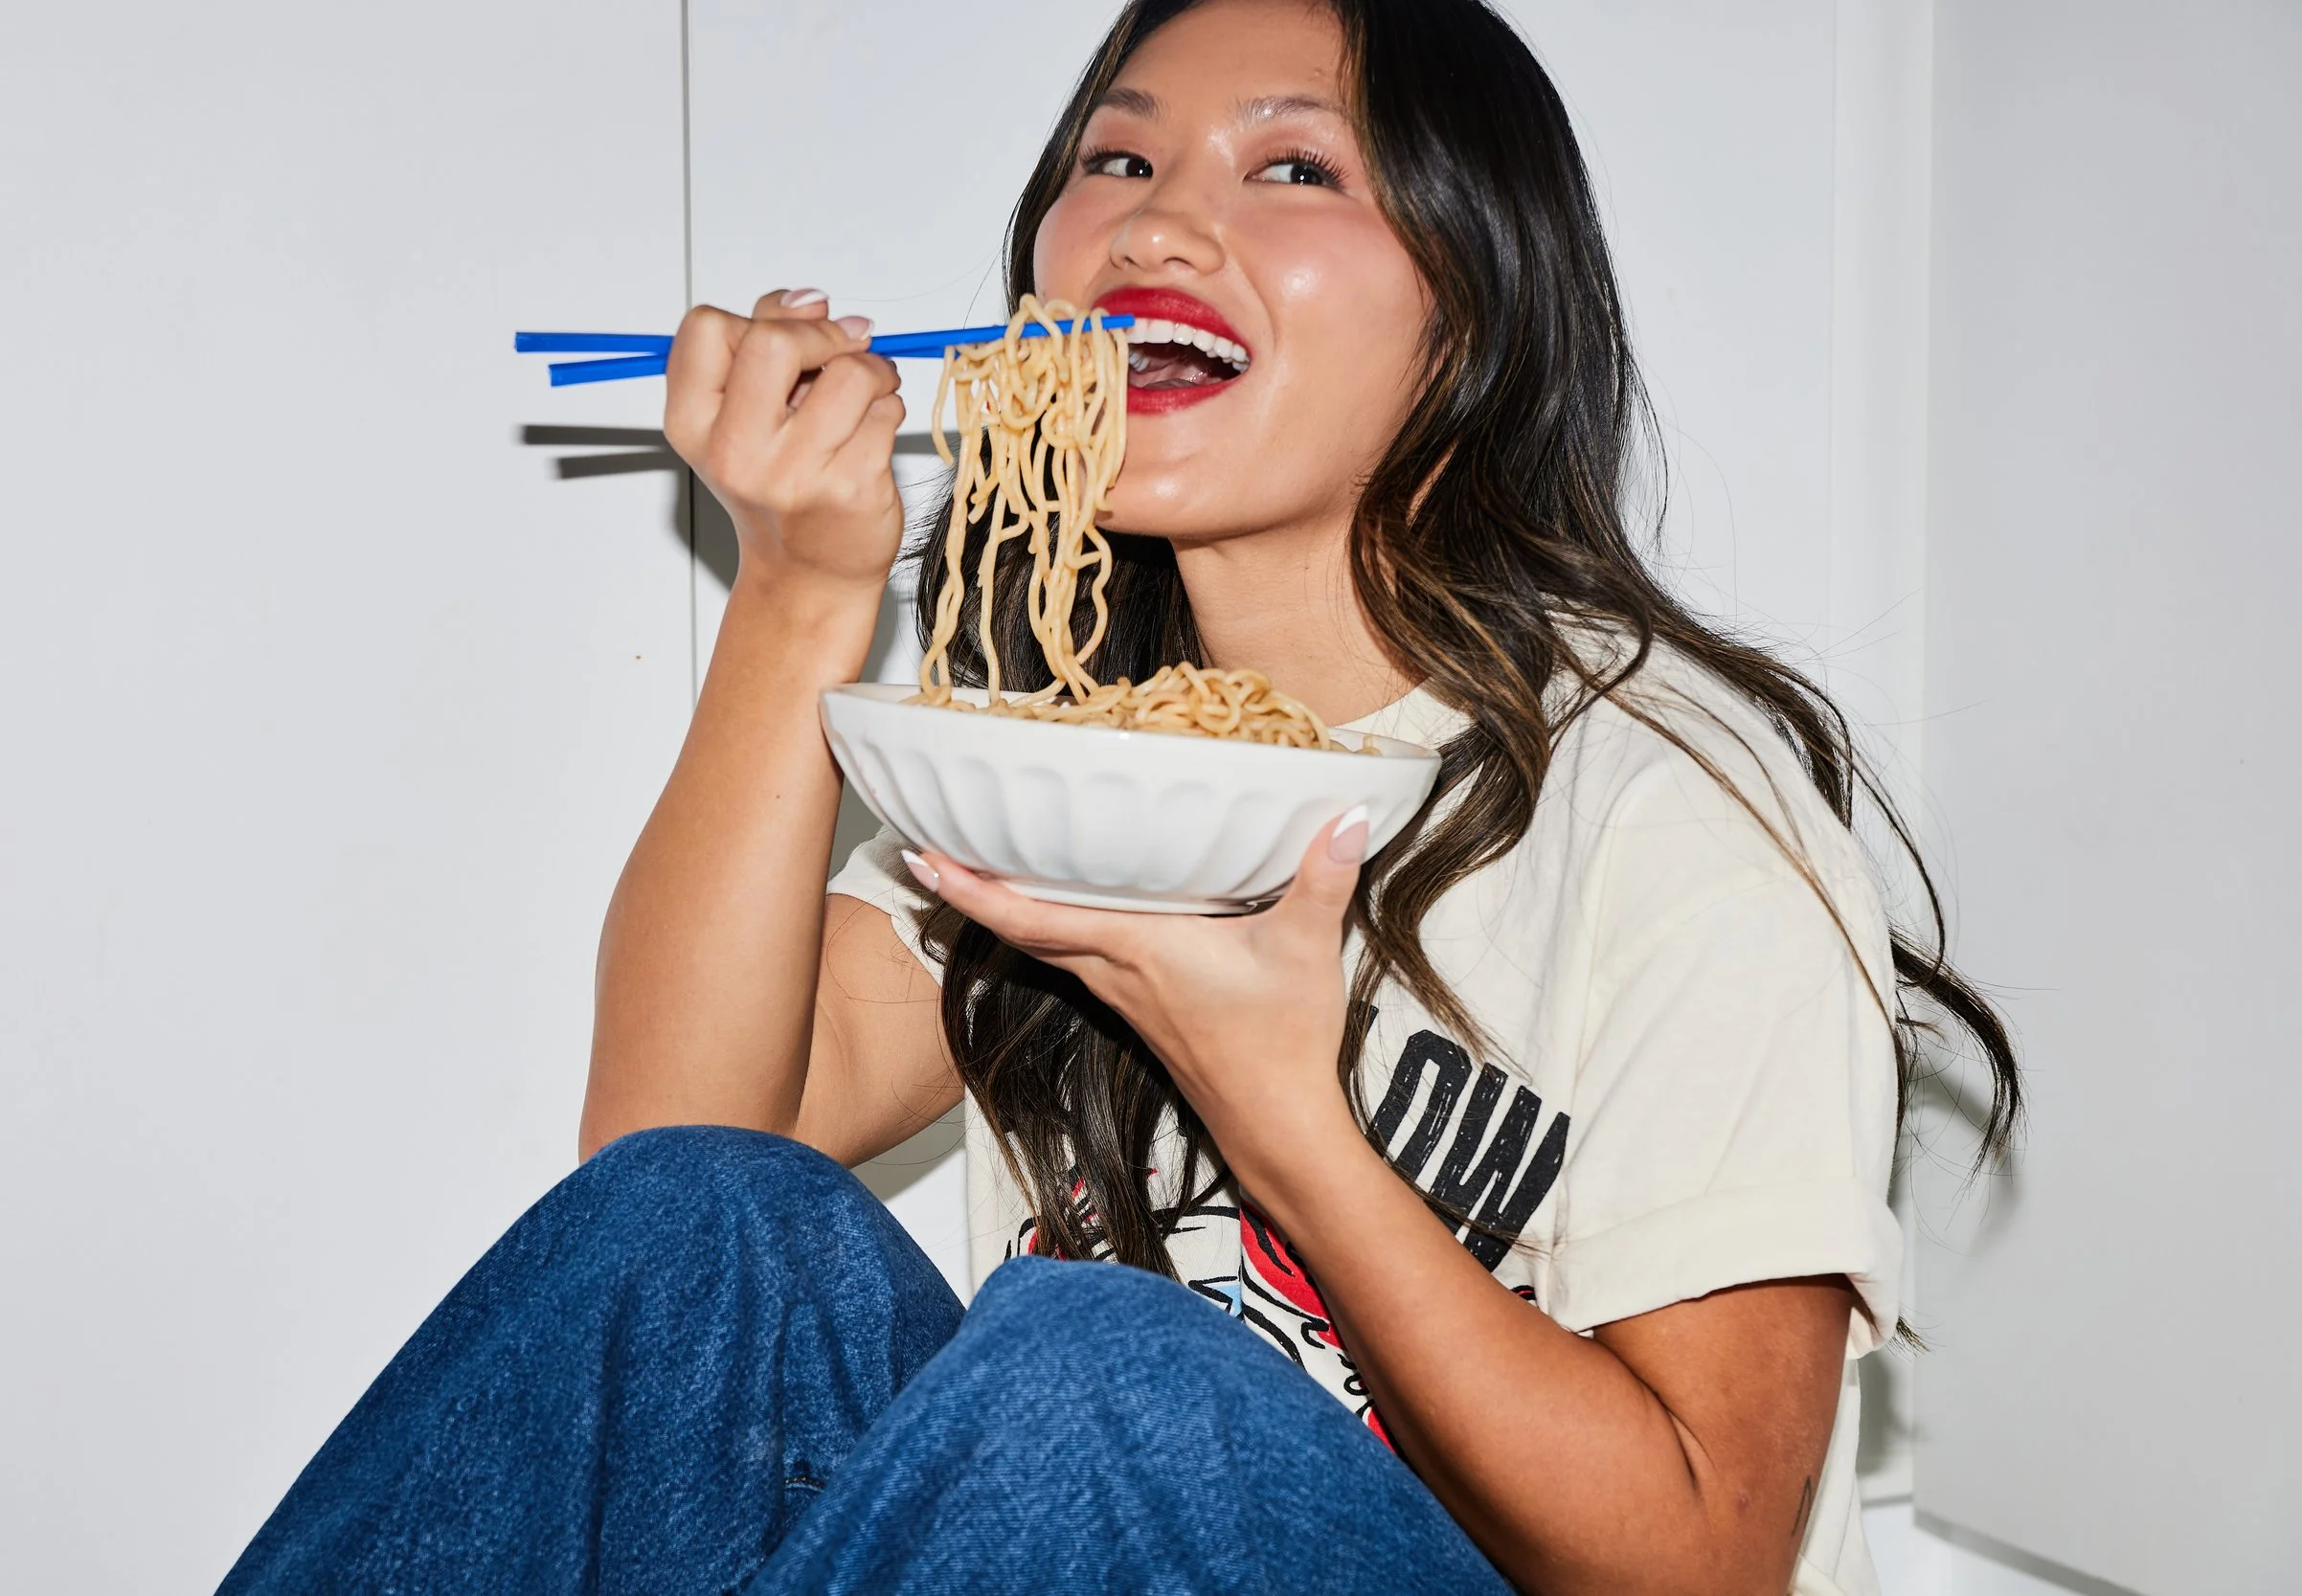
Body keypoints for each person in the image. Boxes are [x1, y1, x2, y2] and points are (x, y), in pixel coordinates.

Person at [220, 1, 2020, 1592]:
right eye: (1117, 155)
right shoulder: (1064, 757)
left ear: (1474, 305)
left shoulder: (1671, 809)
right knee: (718, 1233)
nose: (1159, 214)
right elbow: (671, 1151)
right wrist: (801, 588)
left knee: (1100, 1364)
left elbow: (1699, 1561)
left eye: (1293, 168)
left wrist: (1281, 1105)